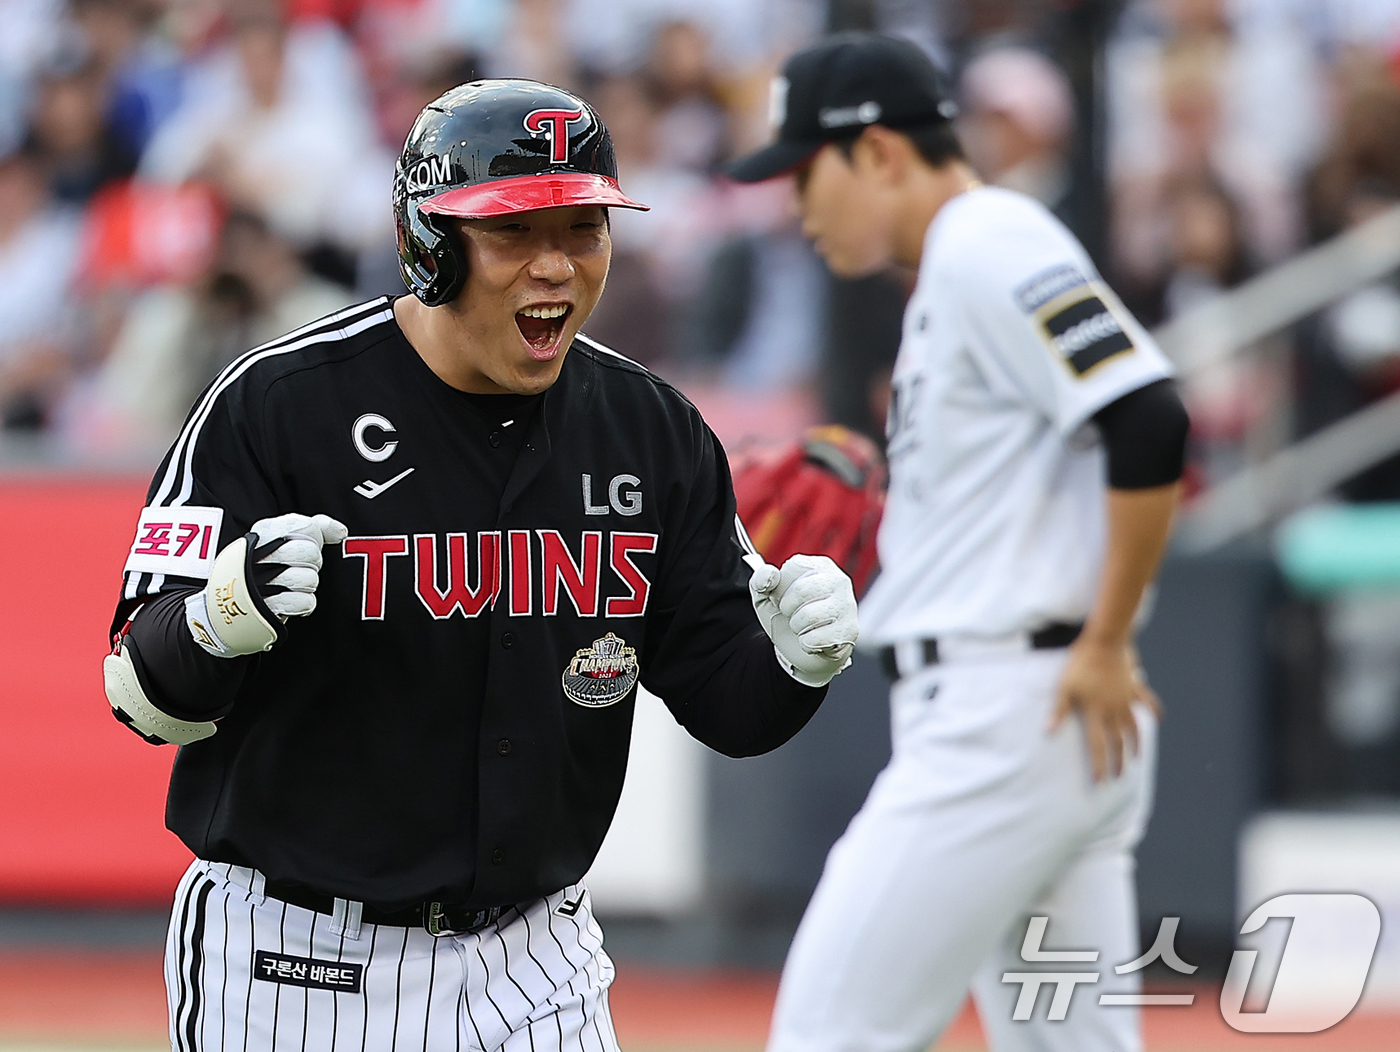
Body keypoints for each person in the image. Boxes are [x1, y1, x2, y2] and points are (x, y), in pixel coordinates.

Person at [102, 78, 859, 1051]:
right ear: (431, 242)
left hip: (537, 956)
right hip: (300, 959)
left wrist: (796, 662)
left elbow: (724, 701)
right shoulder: (277, 404)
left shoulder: (649, 428)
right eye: (513, 233)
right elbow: (138, 691)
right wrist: (220, 614)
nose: (556, 267)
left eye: (583, 229)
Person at [727, 34, 1190, 1052]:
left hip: (1003, 714)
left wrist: (1107, 637)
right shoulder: (962, 260)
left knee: (826, 1033)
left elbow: (1149, 415)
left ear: (879, 152)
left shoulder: (984, 235)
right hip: (1034, 709)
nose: (797, 207)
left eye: (808, 173)